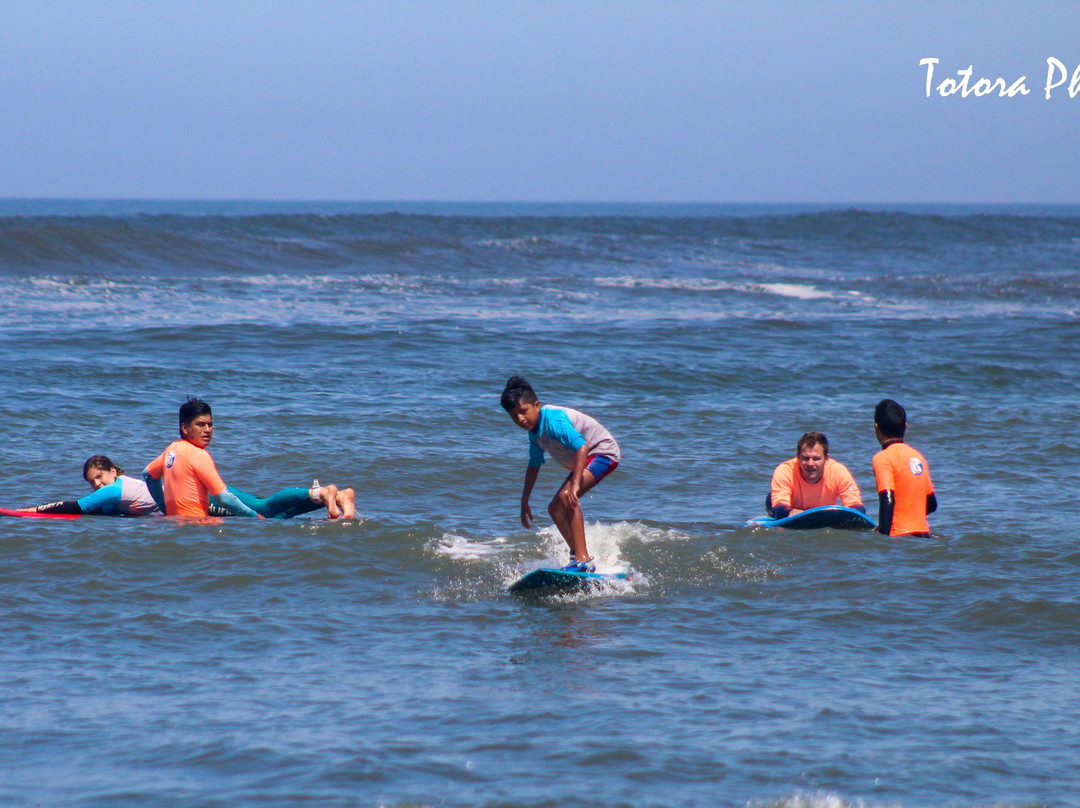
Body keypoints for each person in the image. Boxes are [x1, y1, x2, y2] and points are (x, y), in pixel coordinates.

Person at [143, 398, 356, 519]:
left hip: (198, 525)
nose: (208, 430)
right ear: (184, 428)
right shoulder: (189, 452)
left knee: (265, 509)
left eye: (210, 424)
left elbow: (149, 475)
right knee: (271, 514)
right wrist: (165, 506)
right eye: (201, 425)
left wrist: (165, 506)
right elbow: (148, 475)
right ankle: (335, 497)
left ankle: (324, 493)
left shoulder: (173, 450)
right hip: (195, 525)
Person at [500, 376, 621, 573]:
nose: (520, 419)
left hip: (603, 453)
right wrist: (524, 501)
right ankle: (576, 556)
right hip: (587, 458)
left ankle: (584, 560)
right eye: (514, 416)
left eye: (523, 411)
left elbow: (582, 445)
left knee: (567, 497)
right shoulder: (534, 433)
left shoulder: (554, 420)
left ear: (537, 405)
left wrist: (575, 483)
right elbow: (534, 465)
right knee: (555, 508)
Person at [20, 454, 355, 520]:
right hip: (200, 504)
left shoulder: (116, 488)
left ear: (114, 471)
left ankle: (318, 492)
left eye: (99, 476)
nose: (96, 484)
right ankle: (337, 498)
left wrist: (27, 512)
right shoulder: (112, 496)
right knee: (276, 521)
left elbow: (75, 507)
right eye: (91, 481)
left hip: (205, 498)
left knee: (264, 509)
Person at [872, 399, 936, 537]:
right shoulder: (918, 457)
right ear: (905, 427)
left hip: (899, 538)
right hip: (924, 536)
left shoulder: (883, 458)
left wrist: (883, 534)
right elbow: (932, 504)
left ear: (876, 428)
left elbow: (887, 499)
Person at [765, 431, 865, 519]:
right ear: (798, 457)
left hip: (823, 514)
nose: (810, 464)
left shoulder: (838, 471)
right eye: (805, 458)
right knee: (772, 502)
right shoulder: (784, 471)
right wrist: (789, 512)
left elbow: (857, 507)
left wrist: (844, 516)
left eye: (816, 459)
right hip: (792, 512)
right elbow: (779, 508)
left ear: (826, 459)